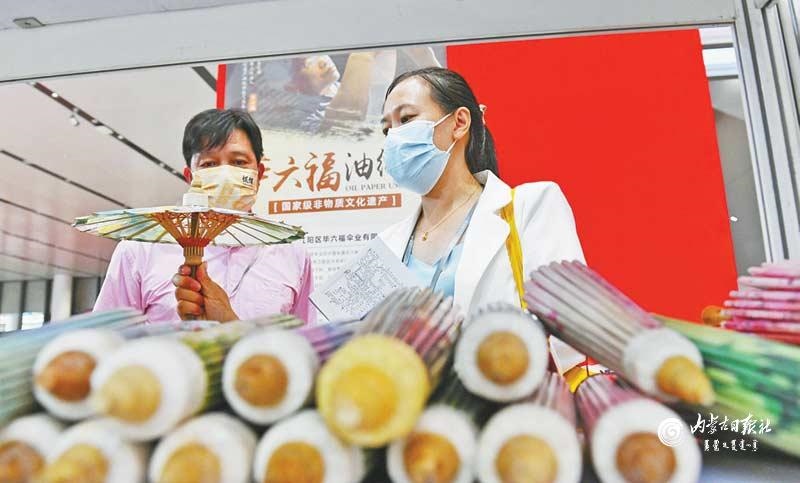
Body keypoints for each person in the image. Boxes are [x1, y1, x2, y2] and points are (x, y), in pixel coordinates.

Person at [379, 67, 585, 368]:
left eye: (407, 119)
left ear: (460, 122)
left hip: (510, 390)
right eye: (387, 129)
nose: (394, 137)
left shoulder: (531, 206)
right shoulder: (386, 243)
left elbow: (571, 327)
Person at [94, 109, 315, 324]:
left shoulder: (292, 254)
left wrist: (231, 325)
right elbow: (105, 337)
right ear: (190, 176)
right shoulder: (139, 250)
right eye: (209, 164)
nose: (225, 174)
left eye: (239, 162)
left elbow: (305, 341)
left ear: (259, 173)